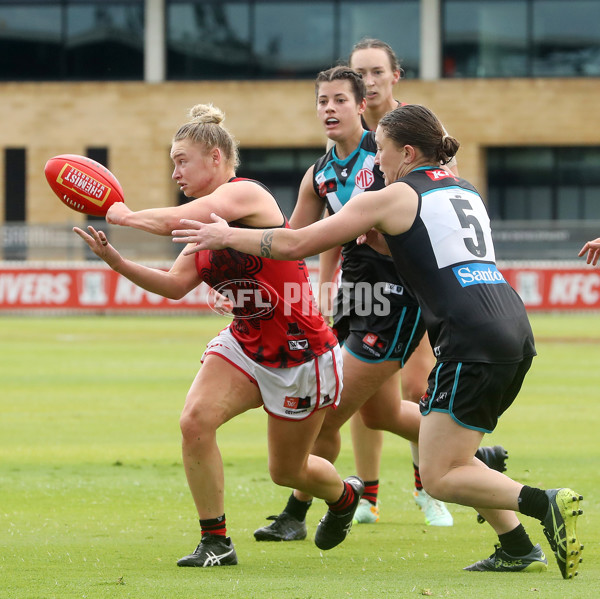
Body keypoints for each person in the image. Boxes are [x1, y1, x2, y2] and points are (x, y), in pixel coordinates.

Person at [172, 103, 585, 579]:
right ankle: (516, 546)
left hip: (468, 337)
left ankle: (544, 502)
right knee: (452, 450)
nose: (377, 163)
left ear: (406, 152)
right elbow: (433, 248)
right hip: (511, 326)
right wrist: (383, 243)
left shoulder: (388, 196)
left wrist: (228, 235)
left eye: (382, 152)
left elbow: (292, 244)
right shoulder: (464, 189)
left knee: (440, 475)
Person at [78, 103, 366, 567]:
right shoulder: (199, 226)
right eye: (173, 162)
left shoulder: (245, 195)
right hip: (245, 341)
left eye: (181, 160)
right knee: (194, 421)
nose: (175, 172)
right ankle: (216, 541)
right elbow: (174, 286)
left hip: (299, 351)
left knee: (286, 471)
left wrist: (122, 214)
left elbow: (173, 218)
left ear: (215, 158)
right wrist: (116, 261)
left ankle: (343, 498)